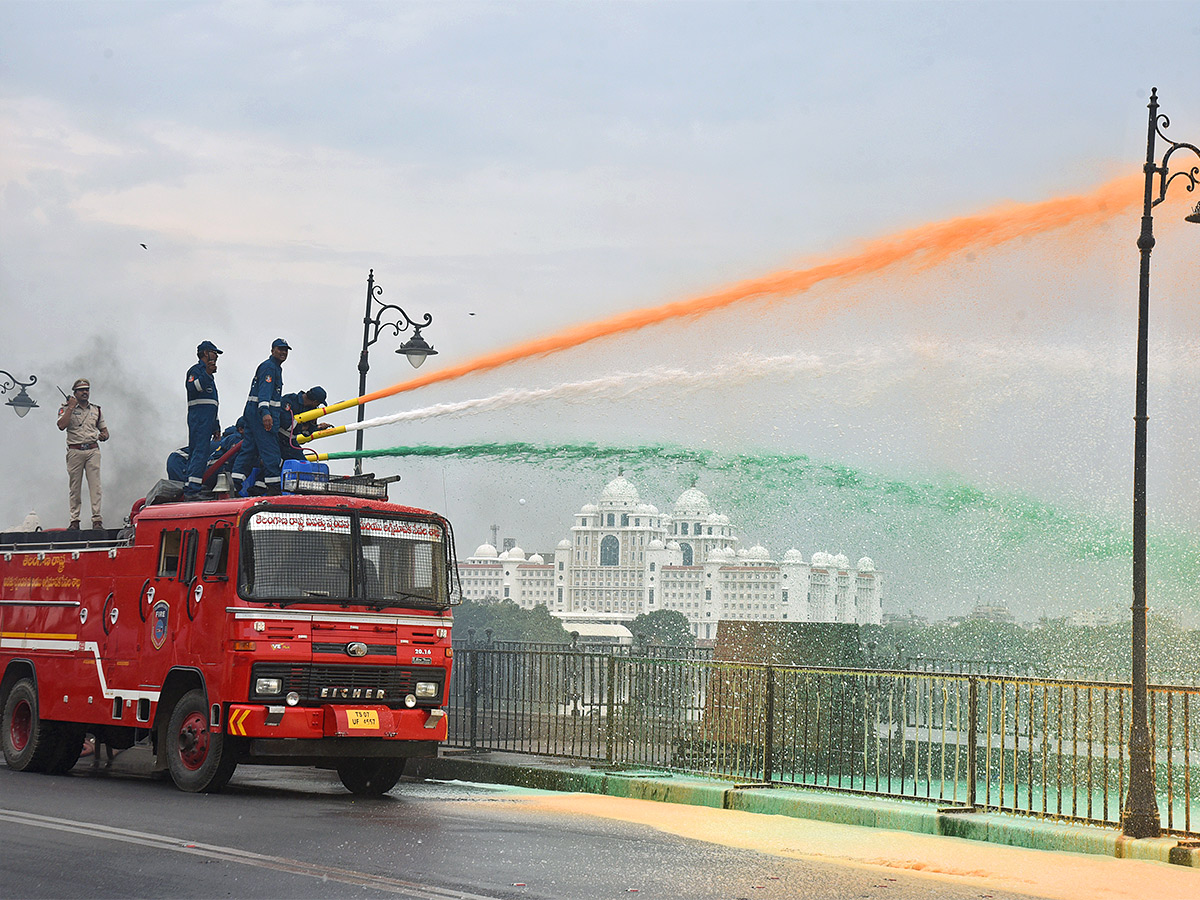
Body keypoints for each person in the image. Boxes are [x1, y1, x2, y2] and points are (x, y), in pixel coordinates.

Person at [233, 338, 289, 495]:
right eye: (280, 349)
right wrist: (265, 413)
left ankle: (234, 484)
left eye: (285, 350)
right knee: (271, 450)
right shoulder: (270, 367)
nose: (283, 352)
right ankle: (274, 489)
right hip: (261, 415)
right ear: (272, 350)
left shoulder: (273, 367)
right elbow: (264, 392)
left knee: (249, 450)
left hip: (252, 413)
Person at [57, 378, 109, 530]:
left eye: (87, 389)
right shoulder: (66, 408)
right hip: (75, 450)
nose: (85, 392)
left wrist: (103, 436)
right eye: (81, 390)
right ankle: (74, 520)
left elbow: (105, 431)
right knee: (75, 487)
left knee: (96, 486)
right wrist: (71, 408)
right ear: (75, 393)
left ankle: (97, 519)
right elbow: (61, 425)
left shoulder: (96, 410)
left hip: (92, 449)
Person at [184, 340, 222, 497]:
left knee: (201, 452)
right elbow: (194, 388)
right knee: (199, 452)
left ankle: (192, 485)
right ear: (206, 353)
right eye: (215, 353)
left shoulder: (208, 374)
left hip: (207, 419)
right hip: (198, 419)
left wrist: (216, 425)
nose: (217, 357)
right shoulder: (196, 371)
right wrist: (206, 373)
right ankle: (192, 489)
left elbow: (212, 403)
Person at [278, 385, 327, 462]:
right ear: (315, 402)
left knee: (303, 464)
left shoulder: (310, 409)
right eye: (318, 404)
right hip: (276, 438)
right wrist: (303, 426)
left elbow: (307, 434)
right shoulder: (289, 400)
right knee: (274, 463)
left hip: (290, 441)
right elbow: (286, 424)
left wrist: (313, 423)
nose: (317, 406)